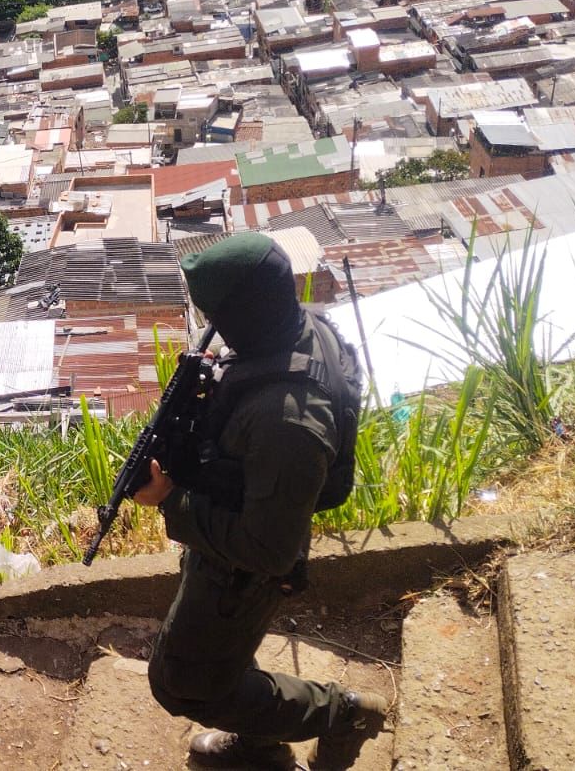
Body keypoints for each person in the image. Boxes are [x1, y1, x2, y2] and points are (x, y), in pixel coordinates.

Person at [132, 233, 388, 769]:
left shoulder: (287, 419)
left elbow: (267, 550)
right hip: (245, 510)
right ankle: (258, 744)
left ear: (245, 312)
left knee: (184, 685)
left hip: (245, 560)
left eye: (217, 314)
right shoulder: (293, 325)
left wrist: (170, 502)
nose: (212, 326)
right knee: (221, 659)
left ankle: (339, 714)